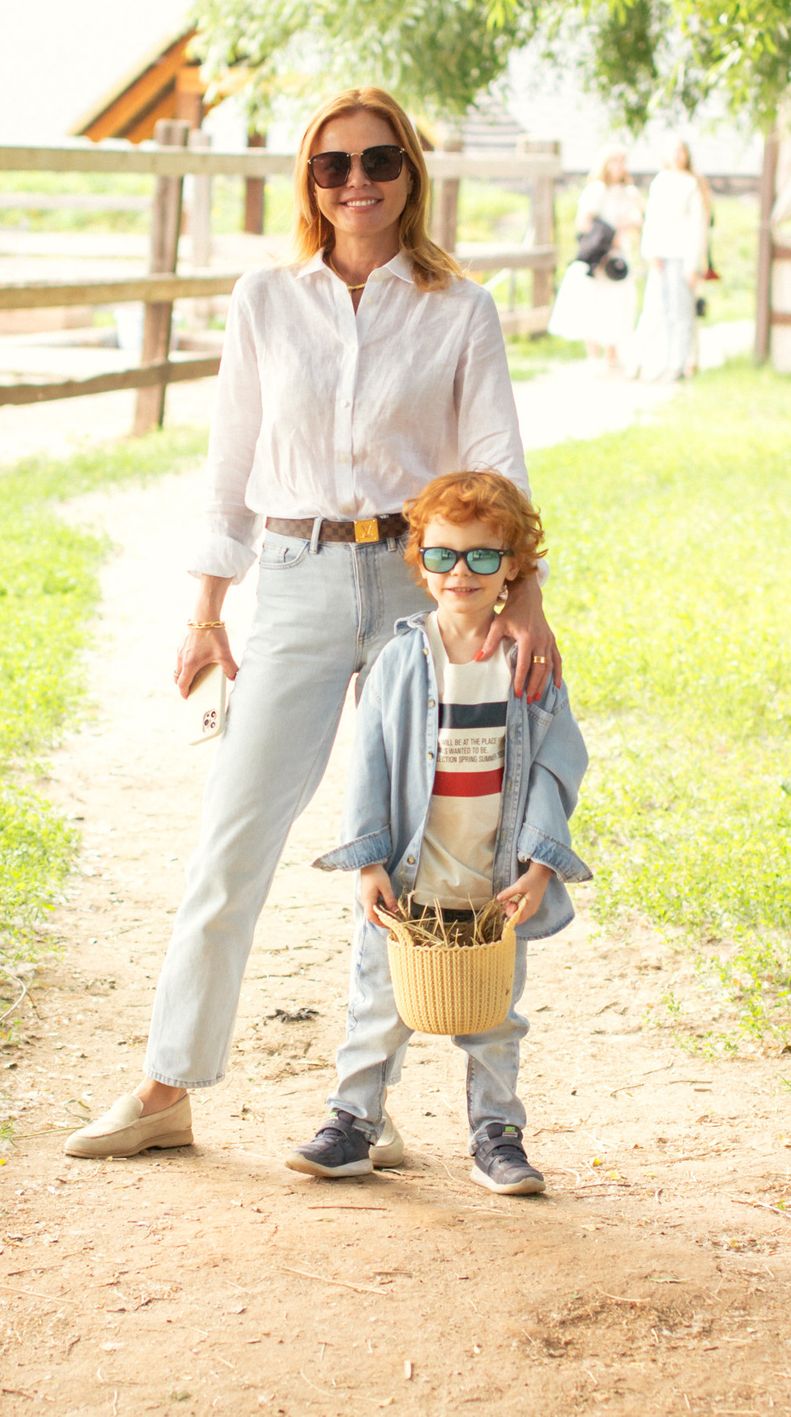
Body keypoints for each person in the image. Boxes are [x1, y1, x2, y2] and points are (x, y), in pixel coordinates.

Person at [64, 87, 564, 1162]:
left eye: (379, 161)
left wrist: (522, 606)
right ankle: (165, 1088)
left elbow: (498, 475)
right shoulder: (265, 300)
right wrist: (206, 609)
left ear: (409, 174)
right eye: (333, 167)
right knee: (232, 839)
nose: (357, 185)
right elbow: (228, 468)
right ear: (309, 182)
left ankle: (362, 1113)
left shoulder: (458, 310)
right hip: (290, 580)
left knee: (407, 848)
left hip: (415, 589)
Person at [285, 471, 588, 1196]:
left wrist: (540, 863)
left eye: (484, 557)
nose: (462, 572)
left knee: (493, 1018)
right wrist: (367, 863)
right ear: (420, 562)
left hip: (492, 886)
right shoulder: (399, 664)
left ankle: (497, 1135)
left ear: (513, 564)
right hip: (410, 880)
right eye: (445, 555)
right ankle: (351, 1123)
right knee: (377, 1006)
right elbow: (370, 764)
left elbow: (556, 762)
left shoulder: (529, 663)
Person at [545, 149, 643, 369]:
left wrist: (625, 226)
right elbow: (584, 222)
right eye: (615, 161)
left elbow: (638, 218)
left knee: (617, 300)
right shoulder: (596, 190)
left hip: (620, 252)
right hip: (600, 253)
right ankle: (593, 356)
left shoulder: (628, 192)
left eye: (622, 161)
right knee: (594, 300)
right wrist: (607, 236)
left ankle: (612, 354)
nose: (619, 166)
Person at [630, 139, 713, 381]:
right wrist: (650, 251)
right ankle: (663, 362)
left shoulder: (691, 185)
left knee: (682, 312)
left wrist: (692, 264)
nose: (677, 155)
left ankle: (679, 365)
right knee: (661, 311)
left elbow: (698, 225)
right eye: (673, 150)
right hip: (661, 255)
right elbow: (652, 220)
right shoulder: (660, 182)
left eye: (681, 151)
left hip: (682, 255)